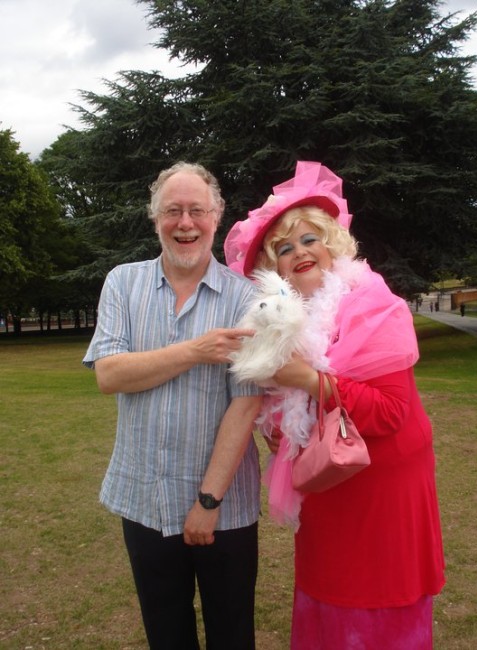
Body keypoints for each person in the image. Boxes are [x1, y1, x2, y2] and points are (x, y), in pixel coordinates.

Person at [224, 161, 445, 649]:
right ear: (274, 269)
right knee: (328, 605)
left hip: (383, 492)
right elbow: (281, 430)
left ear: (332, 245)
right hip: (326, 491)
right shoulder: (281, 327)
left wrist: (308, 378)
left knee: (379, 613)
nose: (299, 252)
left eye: (309, 239)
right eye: (284, 248)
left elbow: (389, 412)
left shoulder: (371, 302)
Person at [83, 161, 263, 649]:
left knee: (232, 636)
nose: (185, 223)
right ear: (155, 217)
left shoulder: (247, 299)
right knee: (166, 635)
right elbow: (109, 374)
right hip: (143, 501)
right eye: (172, 211)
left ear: (217, 216)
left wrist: (208, 503)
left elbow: (245, 406)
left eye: (197, 211)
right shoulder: (123, 283)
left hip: (224, 508)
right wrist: (196, 352)